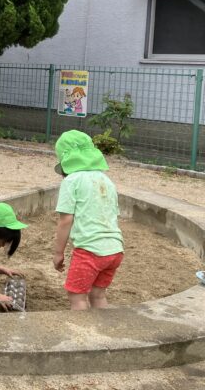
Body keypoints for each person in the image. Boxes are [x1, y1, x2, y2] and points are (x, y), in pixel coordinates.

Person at [53, 130, 124, 311]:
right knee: (98, 295)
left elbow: (66, 219)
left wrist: (58, 253)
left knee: (77, 297)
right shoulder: (106, 180)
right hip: (115, 249)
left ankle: (82, 337)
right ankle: (102, 334)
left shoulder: (71, 181)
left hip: (90, 251)